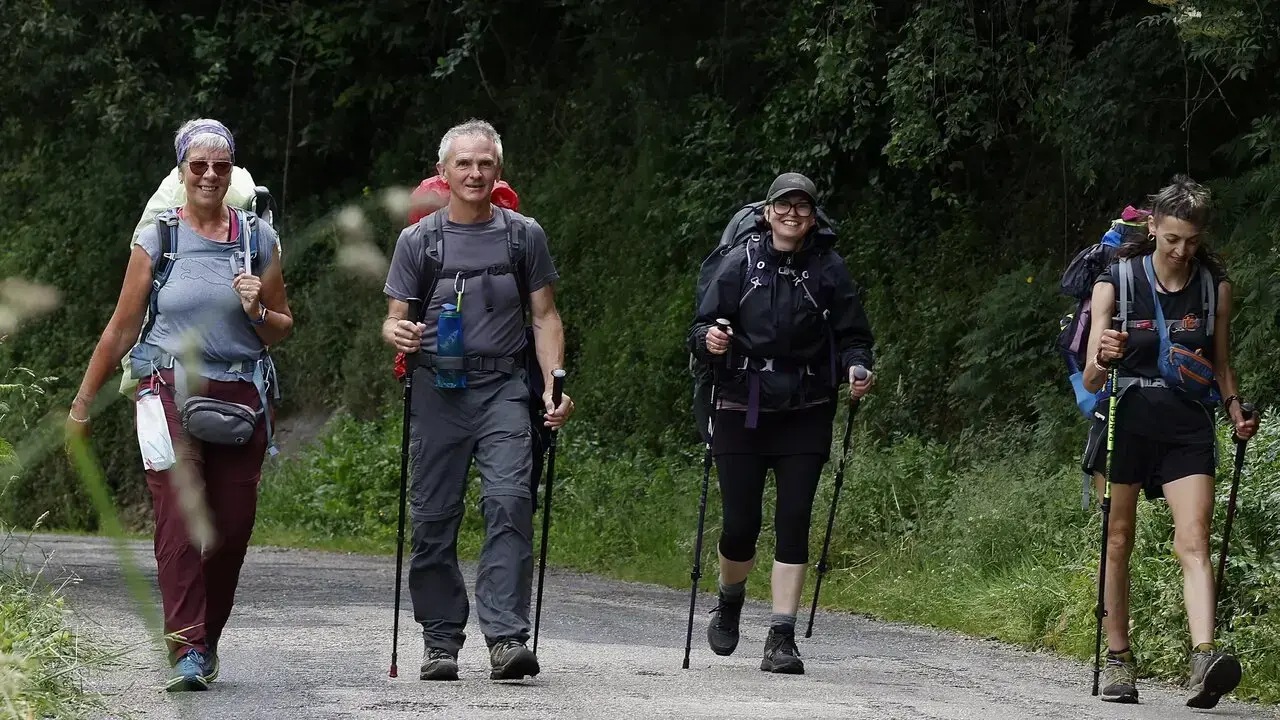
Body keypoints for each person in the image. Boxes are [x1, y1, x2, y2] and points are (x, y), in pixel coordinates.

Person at [66, 118, 291, 691]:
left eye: (221, 166)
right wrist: (82, 403)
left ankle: (206, 637)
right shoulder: (159, 239)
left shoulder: (258, 240)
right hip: (164, 388)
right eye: (199, 166)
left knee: (233, 529)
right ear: (183, 172)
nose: (210, 175)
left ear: (232, 171)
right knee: (180, 519)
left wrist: (257, 311)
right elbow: (121, 329)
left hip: (242, 394)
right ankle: (187, 648)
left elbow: (282, 327)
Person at [380, 118, 574, 682]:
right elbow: (395, 321)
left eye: (484, 163)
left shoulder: (523, 235)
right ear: (443, 173)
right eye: (463, 163)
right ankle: (440, 643)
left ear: (498, 170)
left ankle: (507, 639)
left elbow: (545, 317)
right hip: (439, 391)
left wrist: (551, 388)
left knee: (511, 502)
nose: (474, 172)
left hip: (503, 391)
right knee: (434, 518)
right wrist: (400, 334)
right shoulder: (419, 241)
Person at [687, 172, 875, 674]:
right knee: (740, 524)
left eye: (803, 208)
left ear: (814, 217)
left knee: (794, 520)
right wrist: (712, 341)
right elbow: (701, 327)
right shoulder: (738, 263)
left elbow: (855, 334)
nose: (793, 214)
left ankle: (781, 636)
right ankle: (730, 600)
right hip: (739, 407)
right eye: (784, 206)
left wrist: (859, 367)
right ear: (767, 212)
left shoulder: (828, 269)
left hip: (806, 409)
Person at [1082, 175, 1258, 707]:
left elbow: (1222, 365)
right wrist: (1105, 354)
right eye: (1172, 239)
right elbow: (1091, 379)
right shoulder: (1115, 282)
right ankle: (1118, 662)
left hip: (1186, 424)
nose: (1182, 251)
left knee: (1195, 538)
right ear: (1152, 226)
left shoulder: (1213, 288)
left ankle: (1204, 658)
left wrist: (1234, 409)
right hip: (1128, 418)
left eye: (1192, 241)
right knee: (1118, 541)